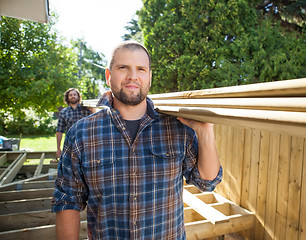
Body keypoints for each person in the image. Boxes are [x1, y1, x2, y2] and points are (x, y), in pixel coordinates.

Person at [52, 41, 222, 240]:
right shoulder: (81, 133)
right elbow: (67, 200)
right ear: (108, 76)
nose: (133, 76)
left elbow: (207, 182)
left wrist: (205, 131)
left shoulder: (177, 128)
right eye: (123, 67)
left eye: (141, 69)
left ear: (149, 77)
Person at [56, 88, 92, 158]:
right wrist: (58, 148)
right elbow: (59, 131)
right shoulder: (63, 112)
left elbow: (93, 126)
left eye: (75, 94)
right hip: (70, 144)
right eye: (70, 95)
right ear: (67, 98)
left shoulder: (86, 110)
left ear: (78, 97)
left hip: (85, 143)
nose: (73, 96)